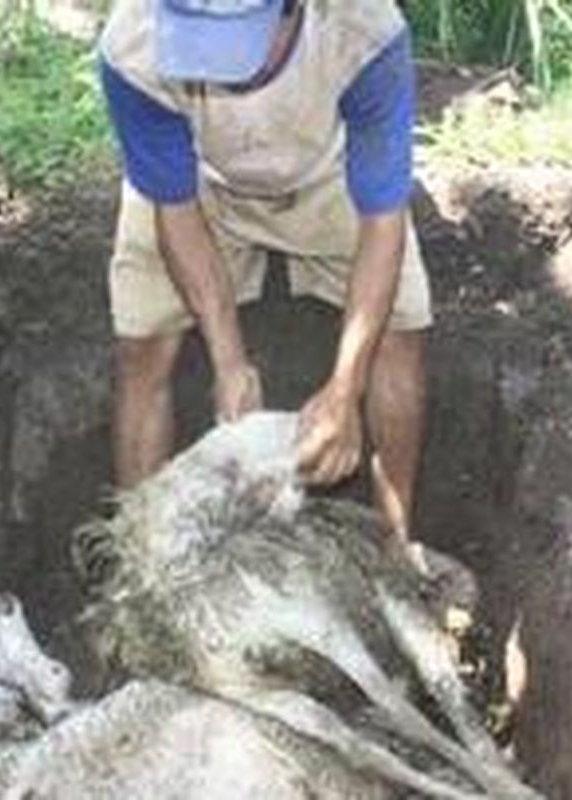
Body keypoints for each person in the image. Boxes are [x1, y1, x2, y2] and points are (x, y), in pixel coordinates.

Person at [99, 0, 431, 548]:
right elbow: (174, 210)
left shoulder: (365, 33)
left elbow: (382, 223)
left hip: (331, 172)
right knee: (142, 347)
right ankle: (139, 561)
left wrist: (345, 390)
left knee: (400, 334)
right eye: (199, 41)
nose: (218, 70)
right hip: (197, 179)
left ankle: (395, 550)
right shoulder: (132, 47)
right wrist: (228, 360)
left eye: (234, 42)